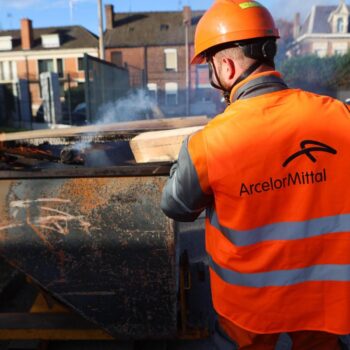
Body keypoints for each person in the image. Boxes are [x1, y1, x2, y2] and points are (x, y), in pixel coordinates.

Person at [160, 0, 350, 349]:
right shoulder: (339, 117)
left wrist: (181, 161)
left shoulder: (208, 143)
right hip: (324, 297)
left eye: (210, 68)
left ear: (227, 67)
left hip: (248, 308)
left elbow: (175, 205)